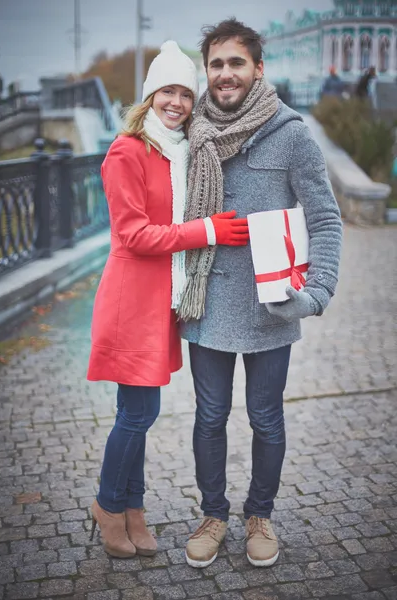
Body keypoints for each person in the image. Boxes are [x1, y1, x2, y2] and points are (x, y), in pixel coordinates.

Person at [178, 19, 343, 569]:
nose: (225, 74)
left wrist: (315, 292)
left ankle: (259, 515)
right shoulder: (189, 134)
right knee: (209, 417)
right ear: (207, 72)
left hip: (273, 307)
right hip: (207, 304)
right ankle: (214, 513)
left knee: (267, 418)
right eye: (216, 64)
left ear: (258, 69)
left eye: (236, 63)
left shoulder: (291, 133)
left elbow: (325, 218)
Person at [87, 40, 249, 559]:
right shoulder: (127, 151)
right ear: (149, 94)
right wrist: (206, 231)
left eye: (185, 93)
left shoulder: (176, 151)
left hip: (157, 303)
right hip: (130, 302)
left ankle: (133, 508)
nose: (176, 102)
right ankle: (109, 506)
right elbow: (133, 234)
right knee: (137, 414)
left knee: (138, 412)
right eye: (167, 91)